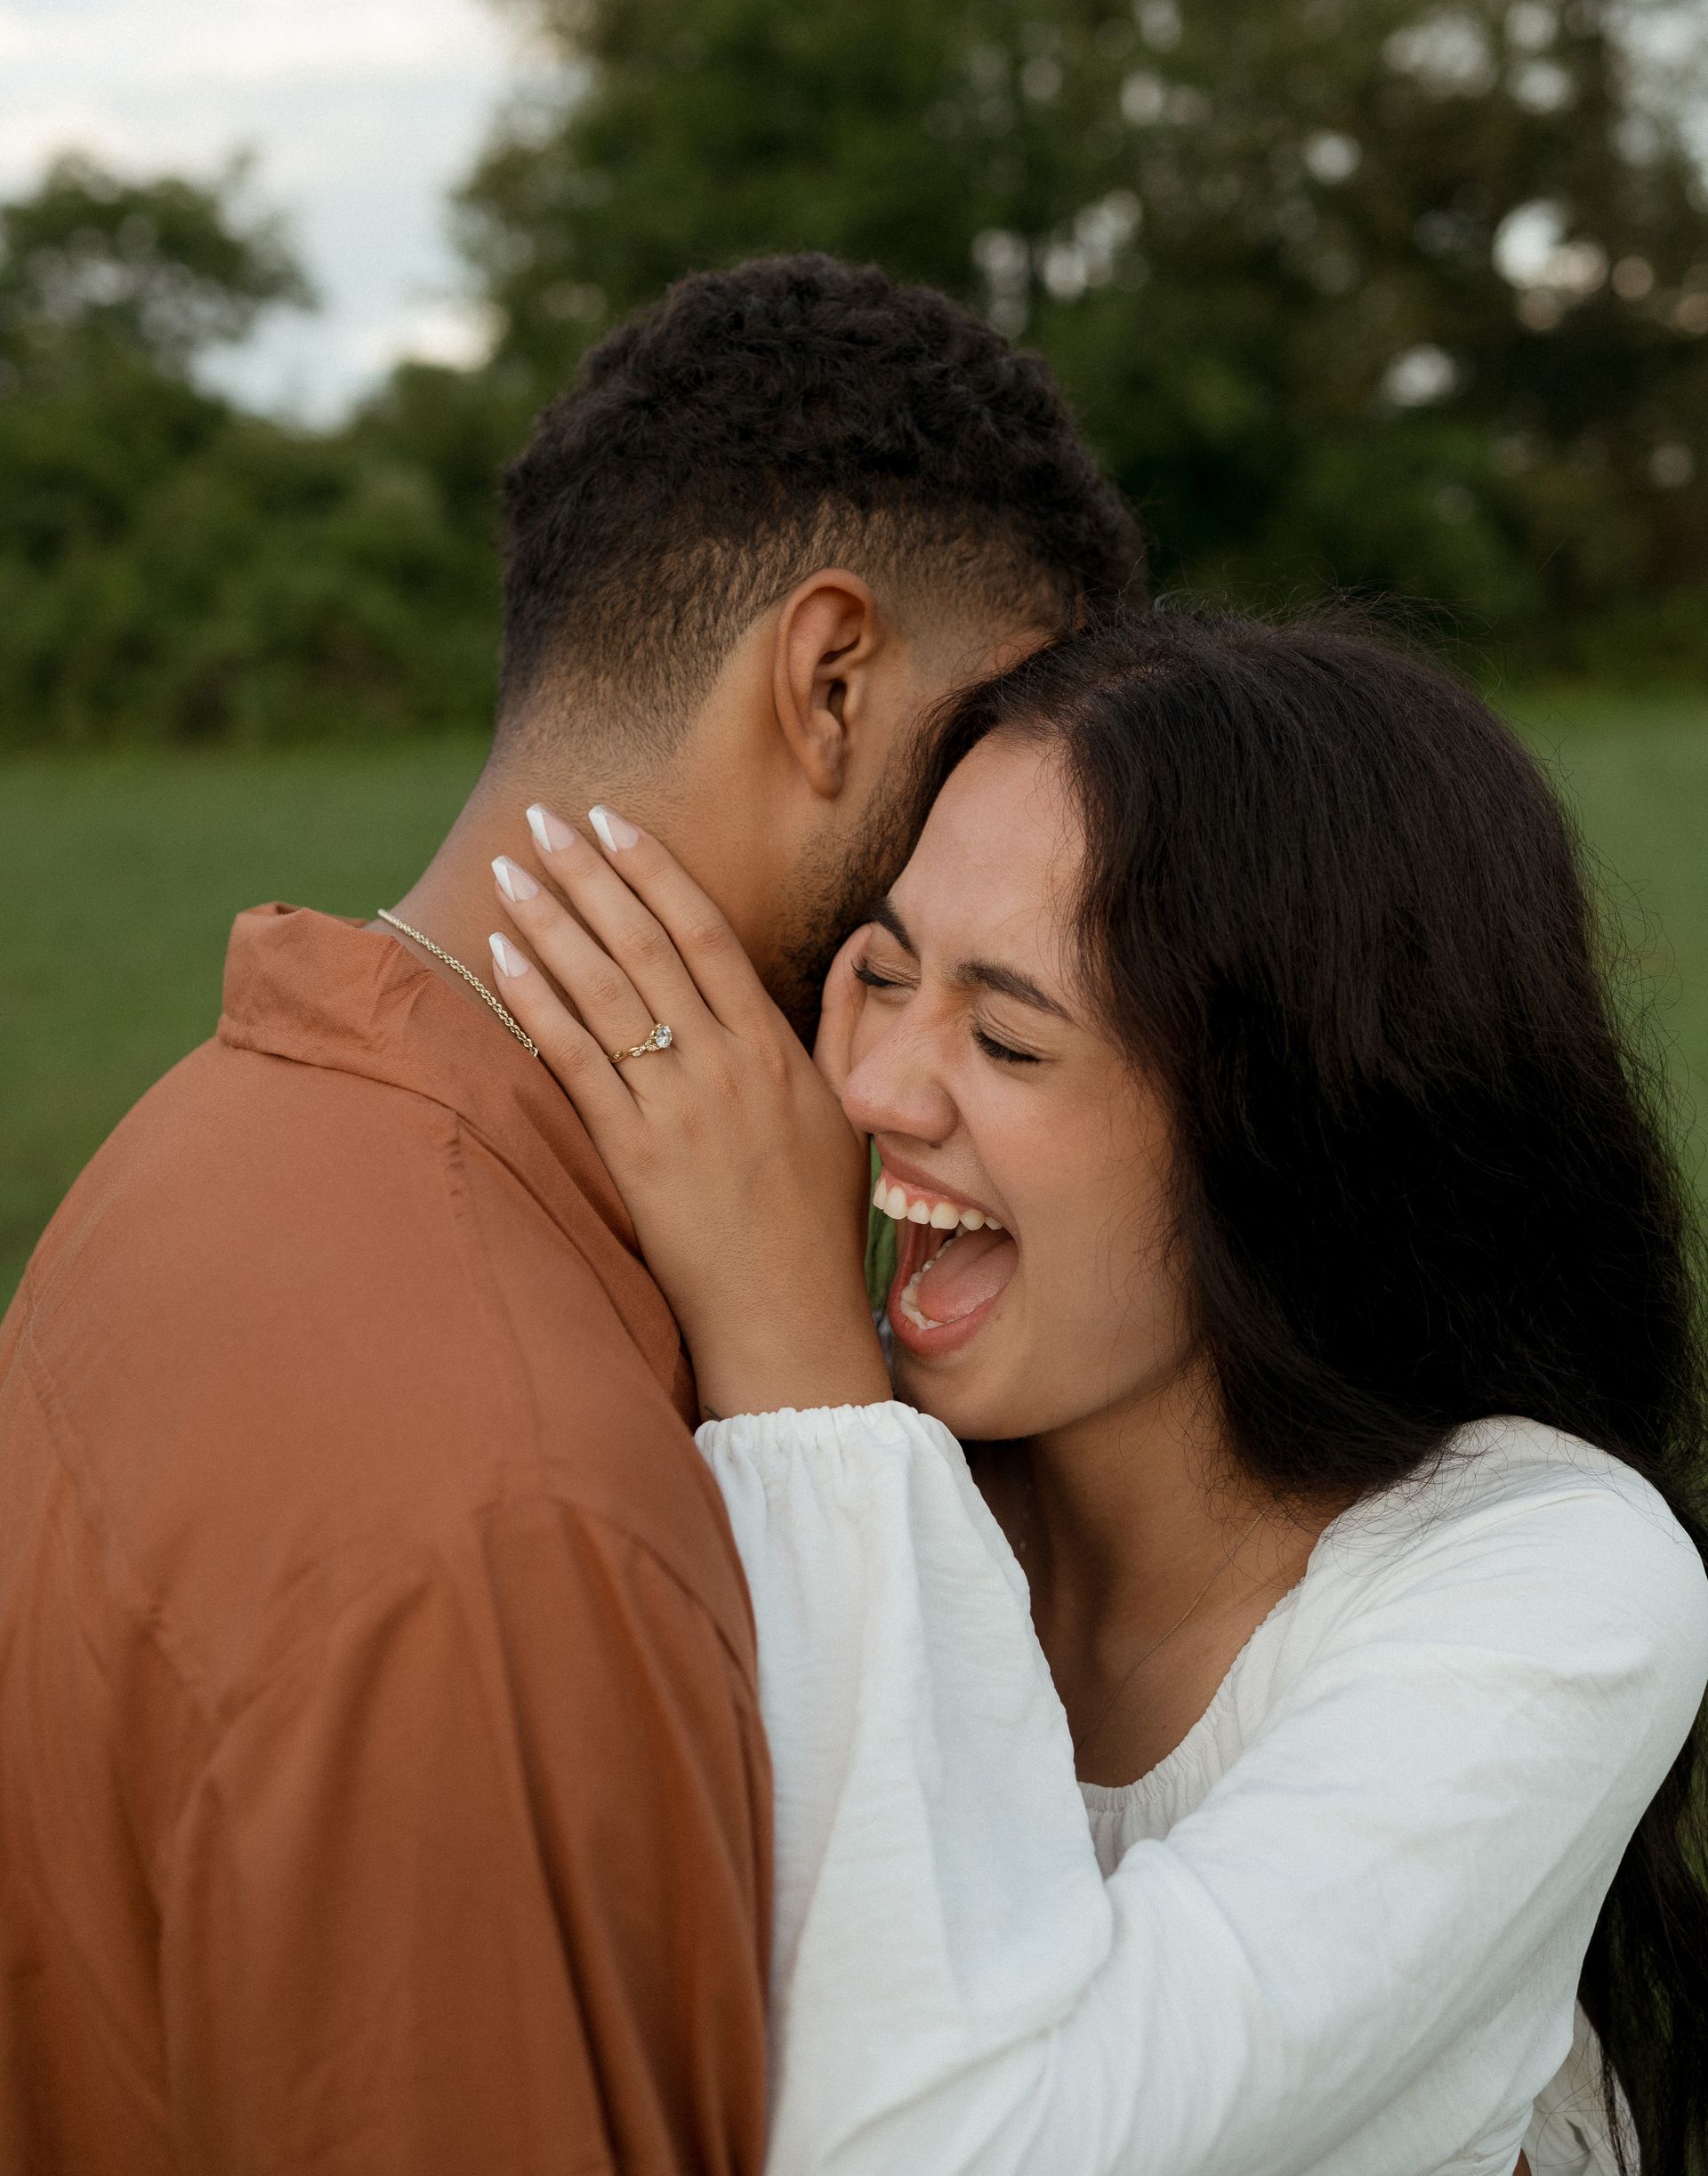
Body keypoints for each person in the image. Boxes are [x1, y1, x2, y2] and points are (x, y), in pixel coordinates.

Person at [0, 253, 1140, 2176]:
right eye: (988, 744)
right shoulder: (511, 1508)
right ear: (831, 680)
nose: (1020, 843)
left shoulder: (198, 1147)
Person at [483, 608, 1708, 2176]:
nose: (867, 1089)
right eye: (884, 968)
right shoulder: (835, 1484)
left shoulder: (1553, 1580)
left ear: (1289, 1139)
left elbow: (949, 2146)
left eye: (1004, 1034)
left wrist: (800, 1367)